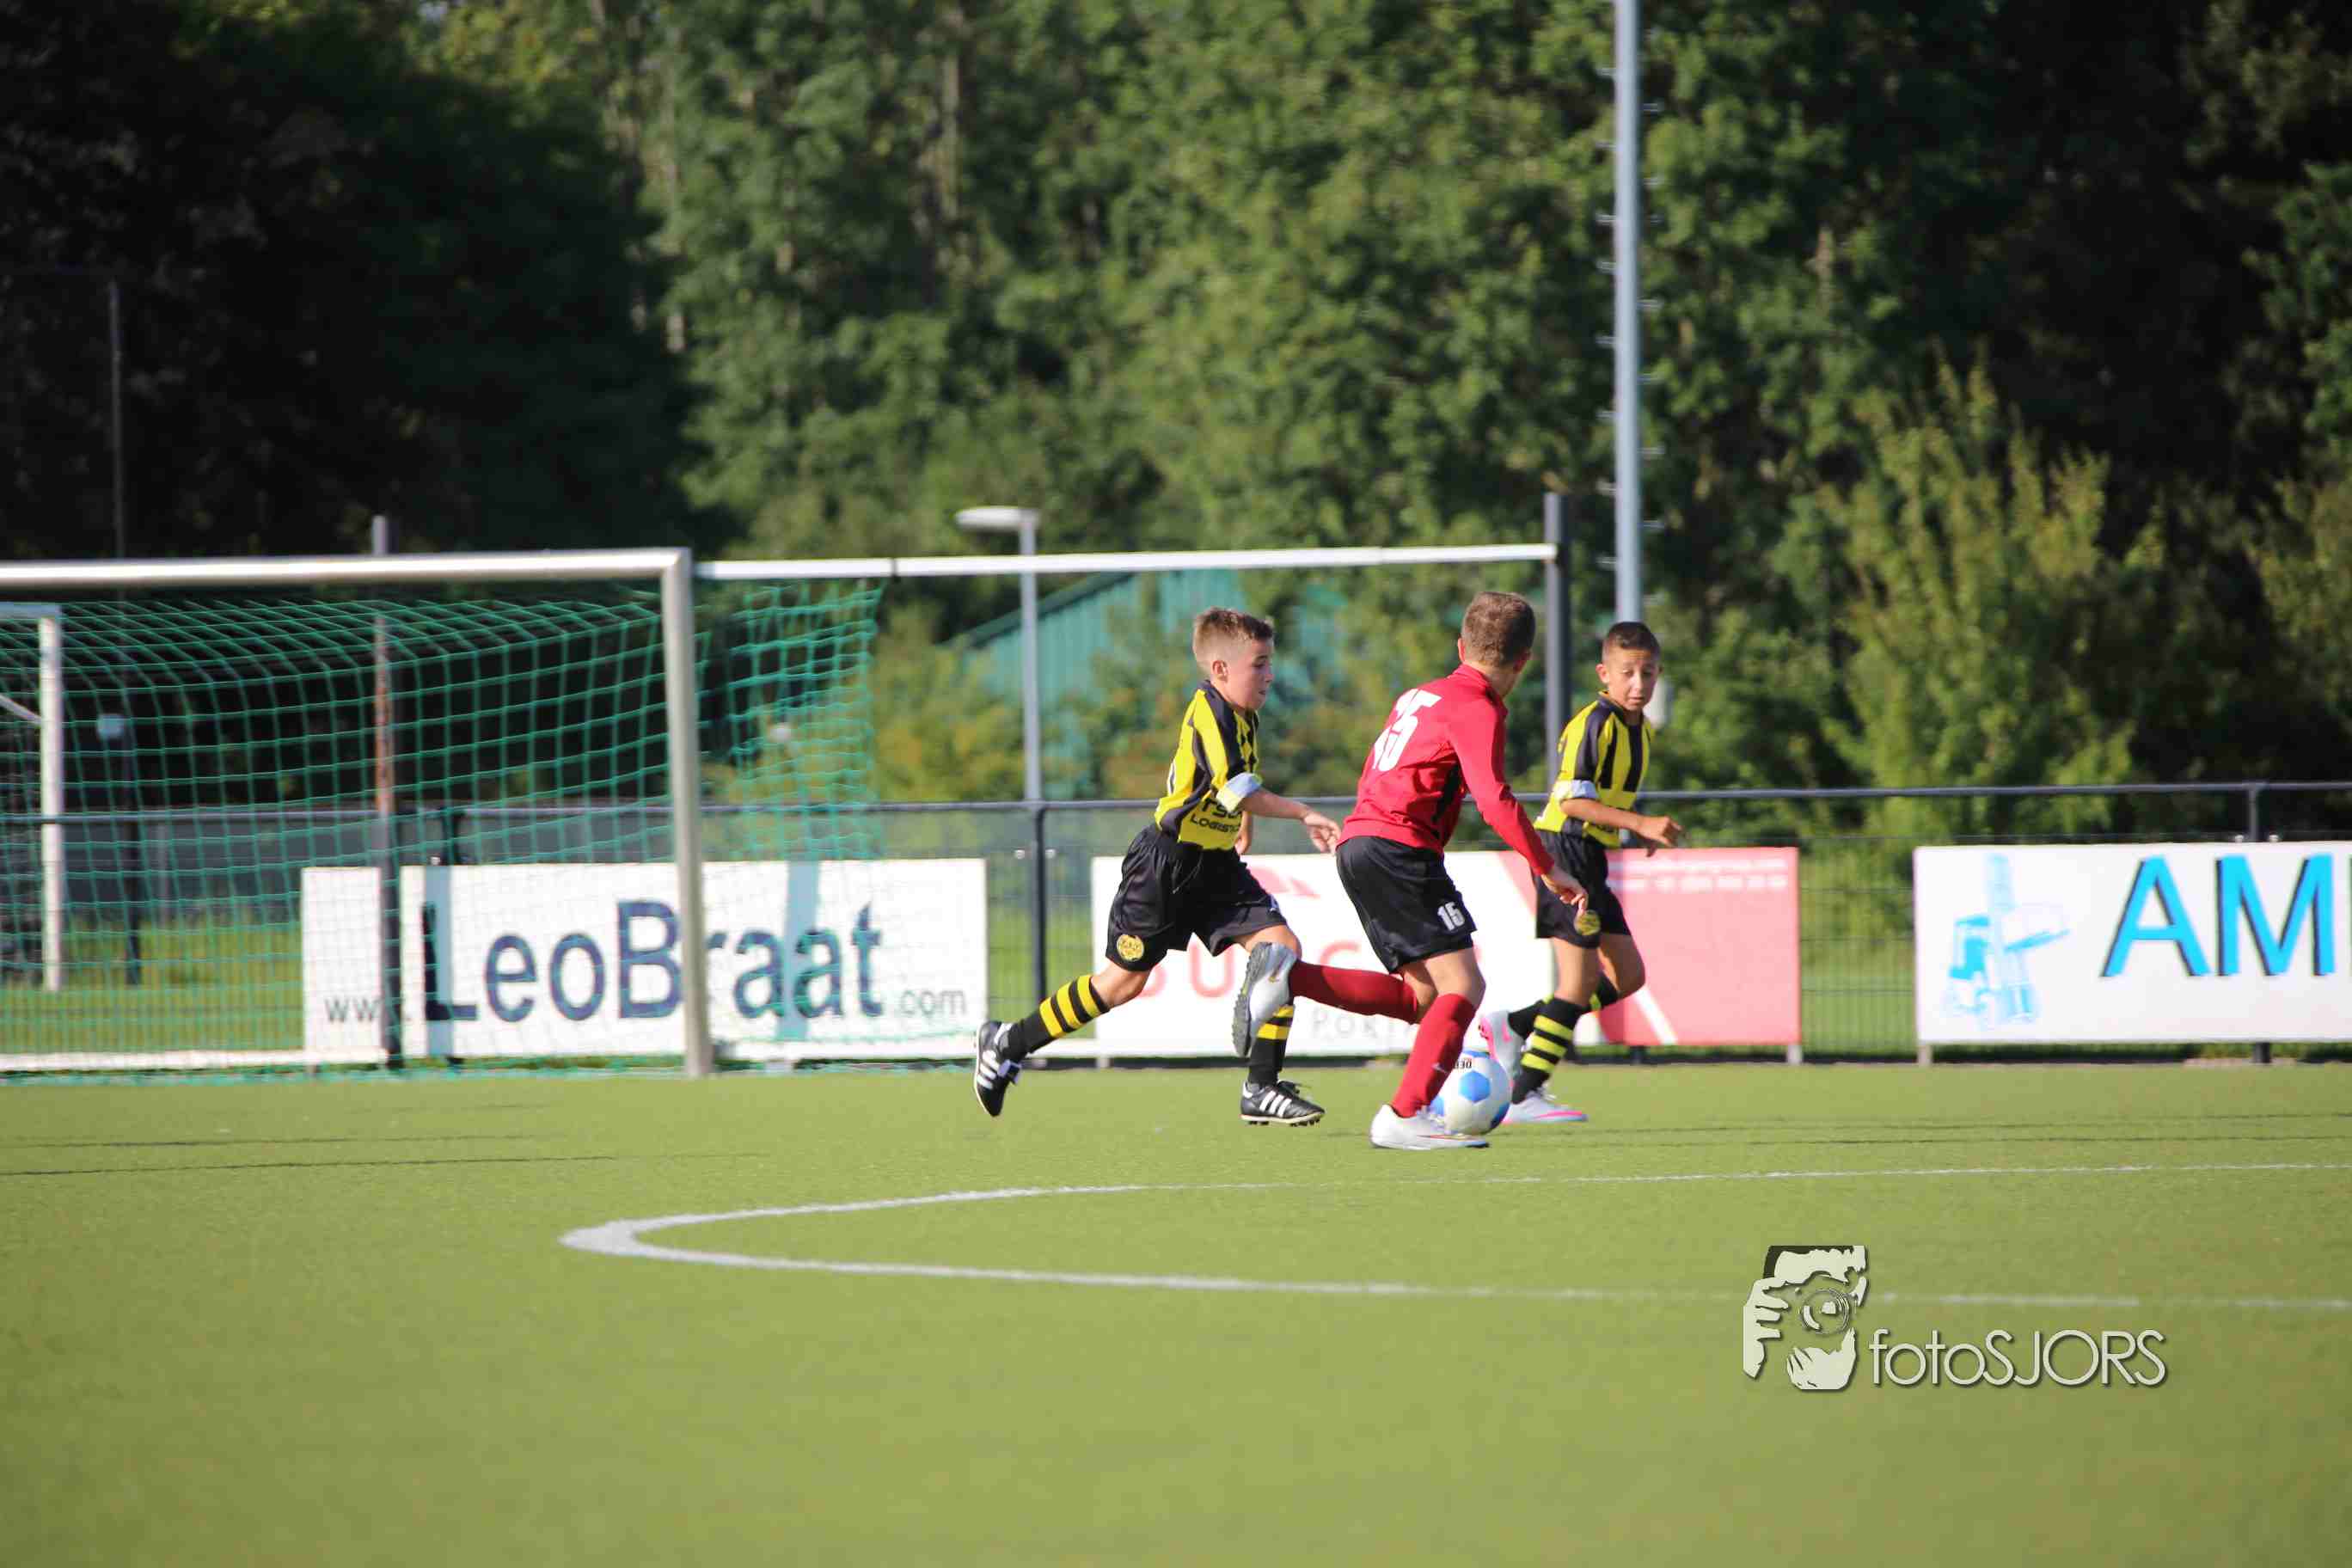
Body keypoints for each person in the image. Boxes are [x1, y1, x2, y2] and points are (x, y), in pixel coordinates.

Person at [1234, 591, 1584, 1150]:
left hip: (1361, 841)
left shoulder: (1420, 695)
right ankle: (1405, 1114)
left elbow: (1378, 770)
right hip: (1400, 848)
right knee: (1465, 985)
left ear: (1461, 647)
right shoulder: (1479, 706)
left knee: (1423, 999)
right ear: (1523, 661)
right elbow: (1494, 800)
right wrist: (1546, 867)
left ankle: (1290, 978)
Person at [972, 608, 1342, 1125]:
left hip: (1215, 865)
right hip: (1166, 865)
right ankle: (1008, 1041)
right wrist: (1301, 812)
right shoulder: (1210, 711)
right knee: (1122, 984)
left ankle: (1261, 1087)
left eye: (1269, 663)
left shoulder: (1244, 715)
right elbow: (1236, 787)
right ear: (1220, 669)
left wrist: (1241, 820)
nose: (1270, 675)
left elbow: (1236, 784)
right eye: (1259, 664)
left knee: (1280, 949)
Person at [1474, 620, 1684, 1123]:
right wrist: (1640, 823)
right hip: (1563, 852)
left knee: (1629, 976)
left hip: (1592, 855)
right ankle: (1523, 1094)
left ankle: (1515, 1025)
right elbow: (1571, 802)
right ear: (1604, 674)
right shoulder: (1596, 723)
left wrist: (1633, 829)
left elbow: (1605, 801)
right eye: (1627, 673)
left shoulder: (1642, 730)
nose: (1638, 684)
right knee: (1579, 979)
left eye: (1648, 673)